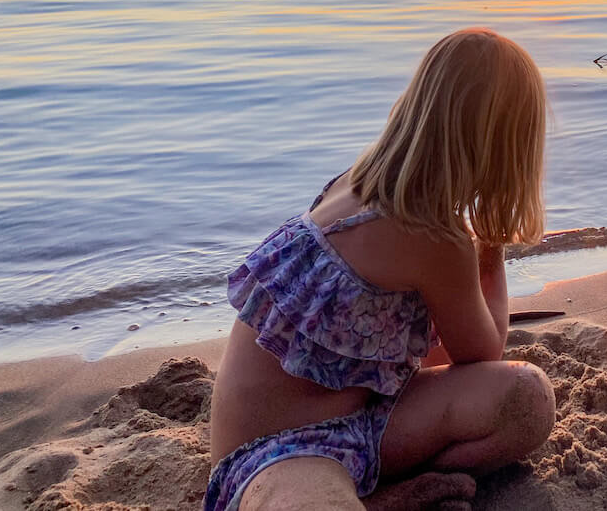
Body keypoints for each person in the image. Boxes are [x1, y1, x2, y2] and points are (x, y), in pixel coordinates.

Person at [207, 28, 556, 511]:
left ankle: (378, 492)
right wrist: (491, 251)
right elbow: (484, 351)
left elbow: (431, 361)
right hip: (276, 453)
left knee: (525, 398)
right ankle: (377, 498)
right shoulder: (436, 237)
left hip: (368, 424)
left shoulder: (354, 184)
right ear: (503, 150)